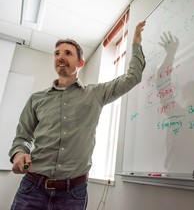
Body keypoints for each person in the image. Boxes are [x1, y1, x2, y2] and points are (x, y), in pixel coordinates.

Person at [8, 20, 146, 210]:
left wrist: (136, 42)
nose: (60, 56)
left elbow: (132, 77)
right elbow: (23, 136)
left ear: (80, 62)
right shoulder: (36, 99)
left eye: (67, 53)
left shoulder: (95, 93)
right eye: (57, 53)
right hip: (33, 188)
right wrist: (19, 153)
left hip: (72, 194)